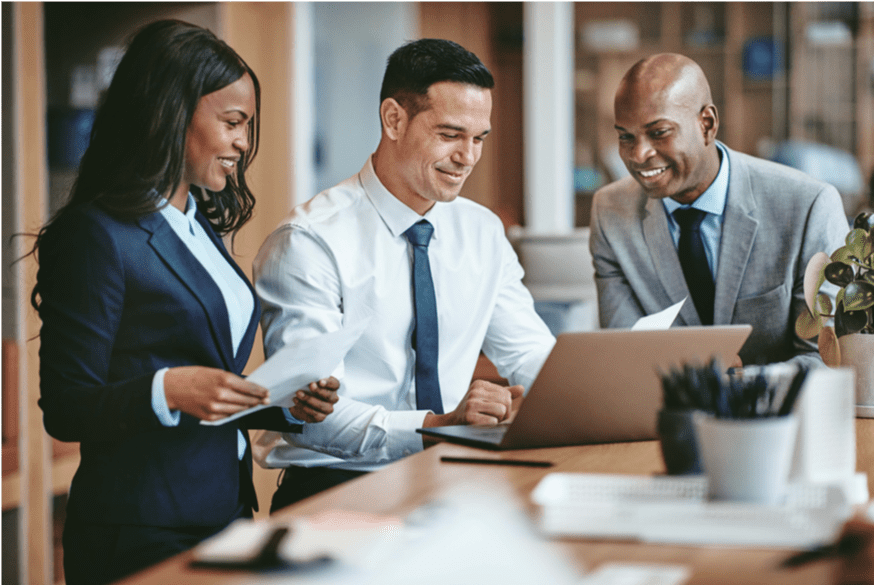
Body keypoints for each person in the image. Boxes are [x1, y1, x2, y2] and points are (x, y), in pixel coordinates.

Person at [31, 20, 339, 585]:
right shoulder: (97, 235)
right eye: (232, 123)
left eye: (247, 126)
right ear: (172, 113)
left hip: (224, 514)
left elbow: (208, 392)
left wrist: (284, 406)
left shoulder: (198, 228)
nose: (244, 144)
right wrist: (169, 388)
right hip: (139, 531)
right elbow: (67, 406)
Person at [252, 38, 555, 511]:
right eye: (450, 134)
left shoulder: (482, 232)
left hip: (453, 485)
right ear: (394, 119)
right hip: (338, 496)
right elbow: (312, 417)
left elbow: (529, 352)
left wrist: (583, 396)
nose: (468, 157)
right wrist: (440, 425)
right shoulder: (310, 241)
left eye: (479, 138)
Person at [589, 53, 848, 368]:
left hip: (775, 414)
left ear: (706, 124)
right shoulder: (610, 212)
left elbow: (825, 358)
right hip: (663, 413)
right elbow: (625, 353)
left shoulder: (809, 206)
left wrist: (740, 386)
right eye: (626, 137)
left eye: (659, 133)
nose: (639, 154)